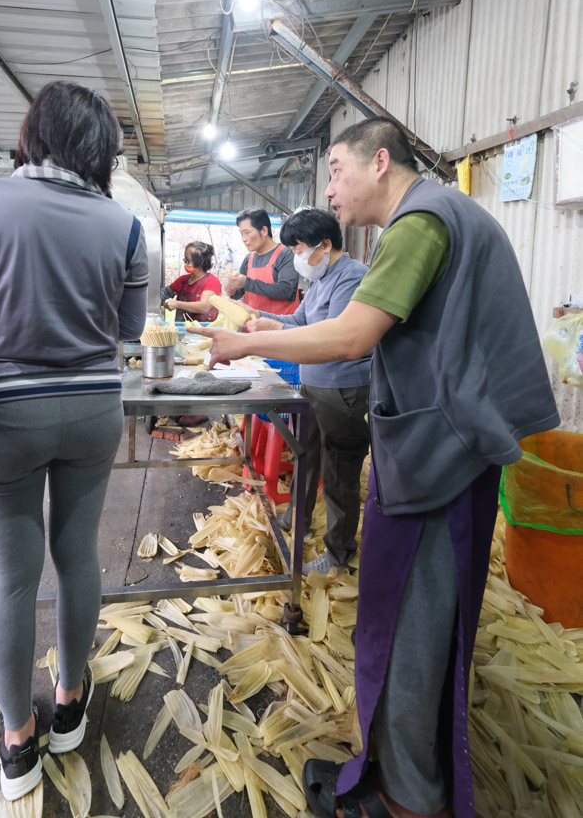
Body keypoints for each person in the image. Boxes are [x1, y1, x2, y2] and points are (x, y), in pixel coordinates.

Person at [195, 118, 559, 818]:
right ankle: (405, 776)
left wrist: (242, 343)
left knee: (408, 627)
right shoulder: (437, 217)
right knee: (409, 618)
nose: (329, 187)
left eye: (335, 168)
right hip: (443, 445)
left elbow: (354, 333)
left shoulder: (419, 222)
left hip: (440, 458)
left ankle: (409, 796)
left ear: (379, 162)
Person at [0, 80, 149, 802]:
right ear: (99, 149)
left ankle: (16, 742)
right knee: (77, 557)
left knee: (10, 575)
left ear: (34, 134)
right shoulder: (126, 226)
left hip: (1, 415)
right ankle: (71, 700)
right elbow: (130, 330)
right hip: (94, 408)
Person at [244, 206, 371, 573]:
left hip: (344, 389)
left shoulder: (353, 277)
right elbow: (300, 320)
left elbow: (332, 335)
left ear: (324, 244)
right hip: (314, 384)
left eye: (298, 249)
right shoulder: (320, 280)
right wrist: (267, 323)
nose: (296, 257)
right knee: (305, 455)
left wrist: (273, 338)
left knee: (339, 474)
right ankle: (298, 519)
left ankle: (338, 553)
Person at [226, 206, 299, 314]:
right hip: (253, 326)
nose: (244, 239)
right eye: (241, 234)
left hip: (280, 328)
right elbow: (242, 292)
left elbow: (285, 290)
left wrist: (247, 283)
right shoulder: (248, 259)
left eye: (247, 233)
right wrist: (233, 291)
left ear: (264, 230)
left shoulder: (286, 255)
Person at [161, 241, 221, 321]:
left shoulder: (212, 281)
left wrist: (177, 304)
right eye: (185, 260)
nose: (186, 264)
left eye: (188, 261)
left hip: (204, 330)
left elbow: (204, 307)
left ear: (200, 262)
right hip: (182, 329)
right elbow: (164, 294)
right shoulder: (183, 280)